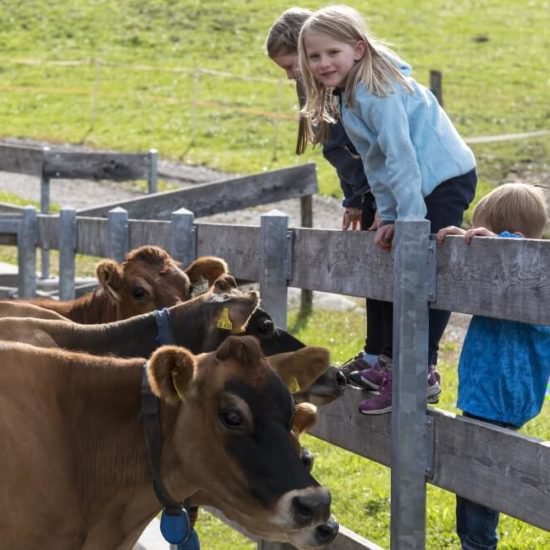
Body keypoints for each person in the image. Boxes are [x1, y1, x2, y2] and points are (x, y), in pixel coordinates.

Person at [297, 5, 478, 414]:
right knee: (397, 266)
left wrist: (409, 221)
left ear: (358, 49)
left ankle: (419, 372)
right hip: (417, 183)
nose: (323, 63)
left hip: (443, 178)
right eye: (314, 56)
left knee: (423, 265)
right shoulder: (348, 96)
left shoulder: (377, 91)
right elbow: (374, 162)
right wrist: (389, 213)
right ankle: (396, 365)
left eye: (332, 53)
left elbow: (401, 156)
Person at [265, 7, 393, 379]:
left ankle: (385, 355)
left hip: (379, 189)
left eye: (292, 65)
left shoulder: (342, 91)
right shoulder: (323, 91)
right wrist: (353, 197)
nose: (291, 75)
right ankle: (375, 352)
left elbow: (356, 149)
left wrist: (361, 197)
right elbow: (342, 153)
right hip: (368, 190)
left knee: (383, 274)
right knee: (374, 273)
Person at [437, 182, 550, 550]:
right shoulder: (509, 278)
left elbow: (516, 259)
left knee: (481, 481)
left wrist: (497, 246)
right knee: (470, 480)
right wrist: (461, 247)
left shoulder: (533, 279)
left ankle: (478, 545)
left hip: (500, 397)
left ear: (511, 237)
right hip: (485, 395)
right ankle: (474, 541)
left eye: (484, 234)